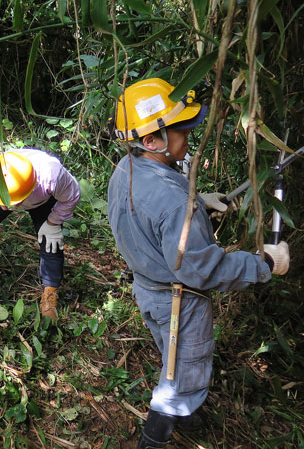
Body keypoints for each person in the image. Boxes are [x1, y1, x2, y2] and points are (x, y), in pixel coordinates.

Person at [107, 78, 290, 448]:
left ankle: (183, 417)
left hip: (148, 290)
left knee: (171, 358)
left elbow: (149, 211)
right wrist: (264, 264)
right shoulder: (175, 206)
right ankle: (155, 439)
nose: (189, 135)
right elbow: (200, 269)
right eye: (182, 129)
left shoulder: (125, 170)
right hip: (180, 302)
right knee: (180, 380)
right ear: (151, 140)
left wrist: (198, 201)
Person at [0, 148, 81, 320]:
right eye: (4, 203)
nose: (7, 208)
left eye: (14, 203)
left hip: (41, 200)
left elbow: (71, 196)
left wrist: (53, 222)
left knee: (51, 240)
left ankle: (50, 291)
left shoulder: (51, 175)